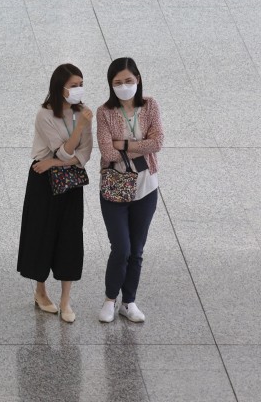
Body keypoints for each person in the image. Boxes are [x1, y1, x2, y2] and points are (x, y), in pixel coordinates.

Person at [17, 63, 94, 323]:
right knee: (42, 233)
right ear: (59, 87)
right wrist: (57, 158)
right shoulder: (45, 115)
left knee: (70, 236)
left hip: (69, 181)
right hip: (43, 179)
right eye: (73, 85)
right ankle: (40, 291)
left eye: (81, 84)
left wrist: (56, 162)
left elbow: (84, 155)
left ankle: (65, 300)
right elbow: (64, 150)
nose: (78, 90)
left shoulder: (83, 114)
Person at [96, 57, 165, 323]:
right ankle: (110, 299)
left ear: (138, 79)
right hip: (115, 187)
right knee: (121, 248)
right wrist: (138, 143)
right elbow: (106, 150)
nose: (124, 86)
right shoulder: (104, 112)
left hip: (146, 187)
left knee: (137, 249)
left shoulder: (150, 105)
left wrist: (123, 143)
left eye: (128, 81)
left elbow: (157, 142)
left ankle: (129, 301)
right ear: (110, 85)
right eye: (118, 82)